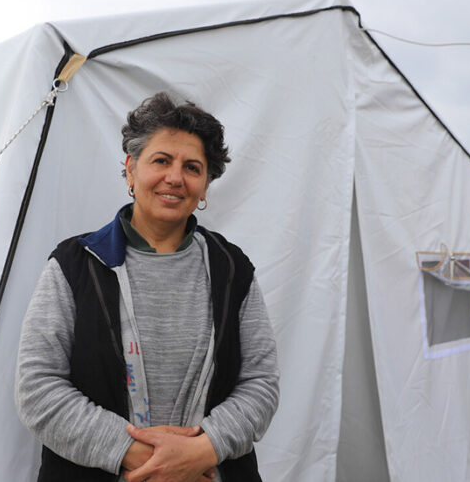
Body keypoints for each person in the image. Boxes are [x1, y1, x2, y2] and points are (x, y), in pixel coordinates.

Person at [15, 92, 279, 482]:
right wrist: (143, 457)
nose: (175, 177)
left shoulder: (232, 268)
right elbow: (37, 387)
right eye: (161, 161)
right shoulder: (75, 265)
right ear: (130, 169)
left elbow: (260, 382)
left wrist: (203, 450)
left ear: (205, 186)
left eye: (192, 167)